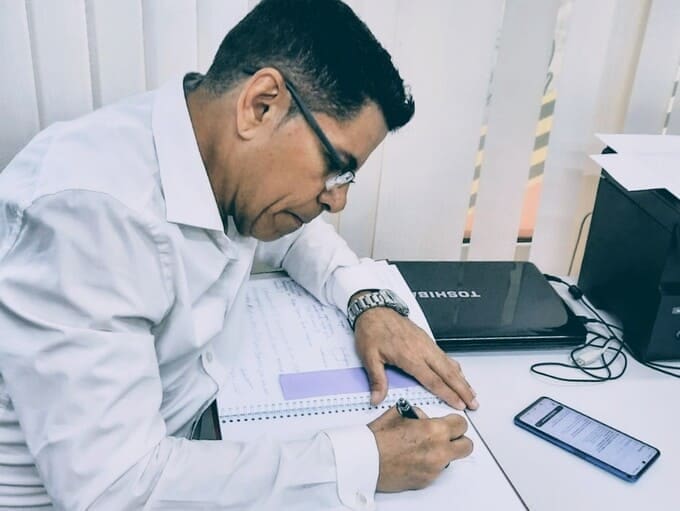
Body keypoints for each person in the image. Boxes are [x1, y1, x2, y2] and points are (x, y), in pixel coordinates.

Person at [0, 0, 477, 509]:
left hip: (198, 425)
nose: (337, 200)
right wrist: (363, 461)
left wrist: (366, 302)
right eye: (336, 168)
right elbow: (116, 490)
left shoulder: (211, 150)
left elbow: (294, 234)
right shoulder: (90, 218)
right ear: (261, 105)